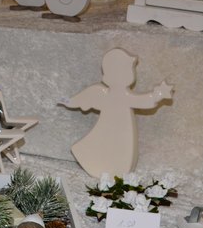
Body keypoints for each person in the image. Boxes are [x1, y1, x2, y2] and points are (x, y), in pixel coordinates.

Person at [63, 48, 173, 177]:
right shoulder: (102, 93)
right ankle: (103, 166)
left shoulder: (123, 96)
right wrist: (67, 101)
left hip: (121, 130)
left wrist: (157, 95)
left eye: (129, 70)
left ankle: (117, 168)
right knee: (108, 144)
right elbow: (81, 99)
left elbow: (143, 101)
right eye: (127, 70)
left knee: (119, 147)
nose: (129, 73)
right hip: (109, 127)